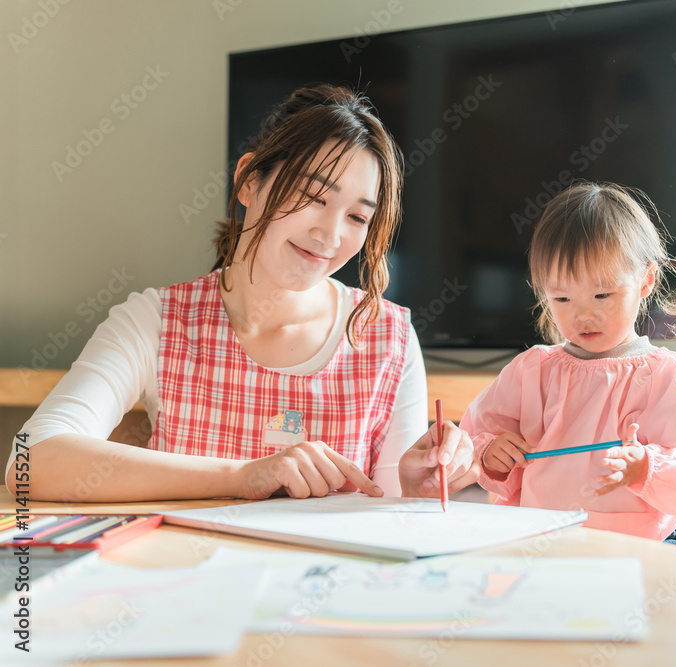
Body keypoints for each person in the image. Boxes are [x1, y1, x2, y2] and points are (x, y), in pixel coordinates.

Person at [5, 85, 479, 502]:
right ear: (250, 179)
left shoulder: (386, 336)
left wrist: (415, 491)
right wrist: (242, 476)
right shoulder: (155, 320)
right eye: (314, 196)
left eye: (357, 217)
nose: (330, 235)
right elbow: (32, 463)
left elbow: (388, 512)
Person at [460, 182, 676, 545]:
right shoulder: (531, 372)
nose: (583, 315)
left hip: (639, 547)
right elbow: (476, 438)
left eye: (602, 295)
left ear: (646, 279)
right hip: (542, 543)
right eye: (562, 297)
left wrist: (647, 468)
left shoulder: (669, 378)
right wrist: (492, 453)